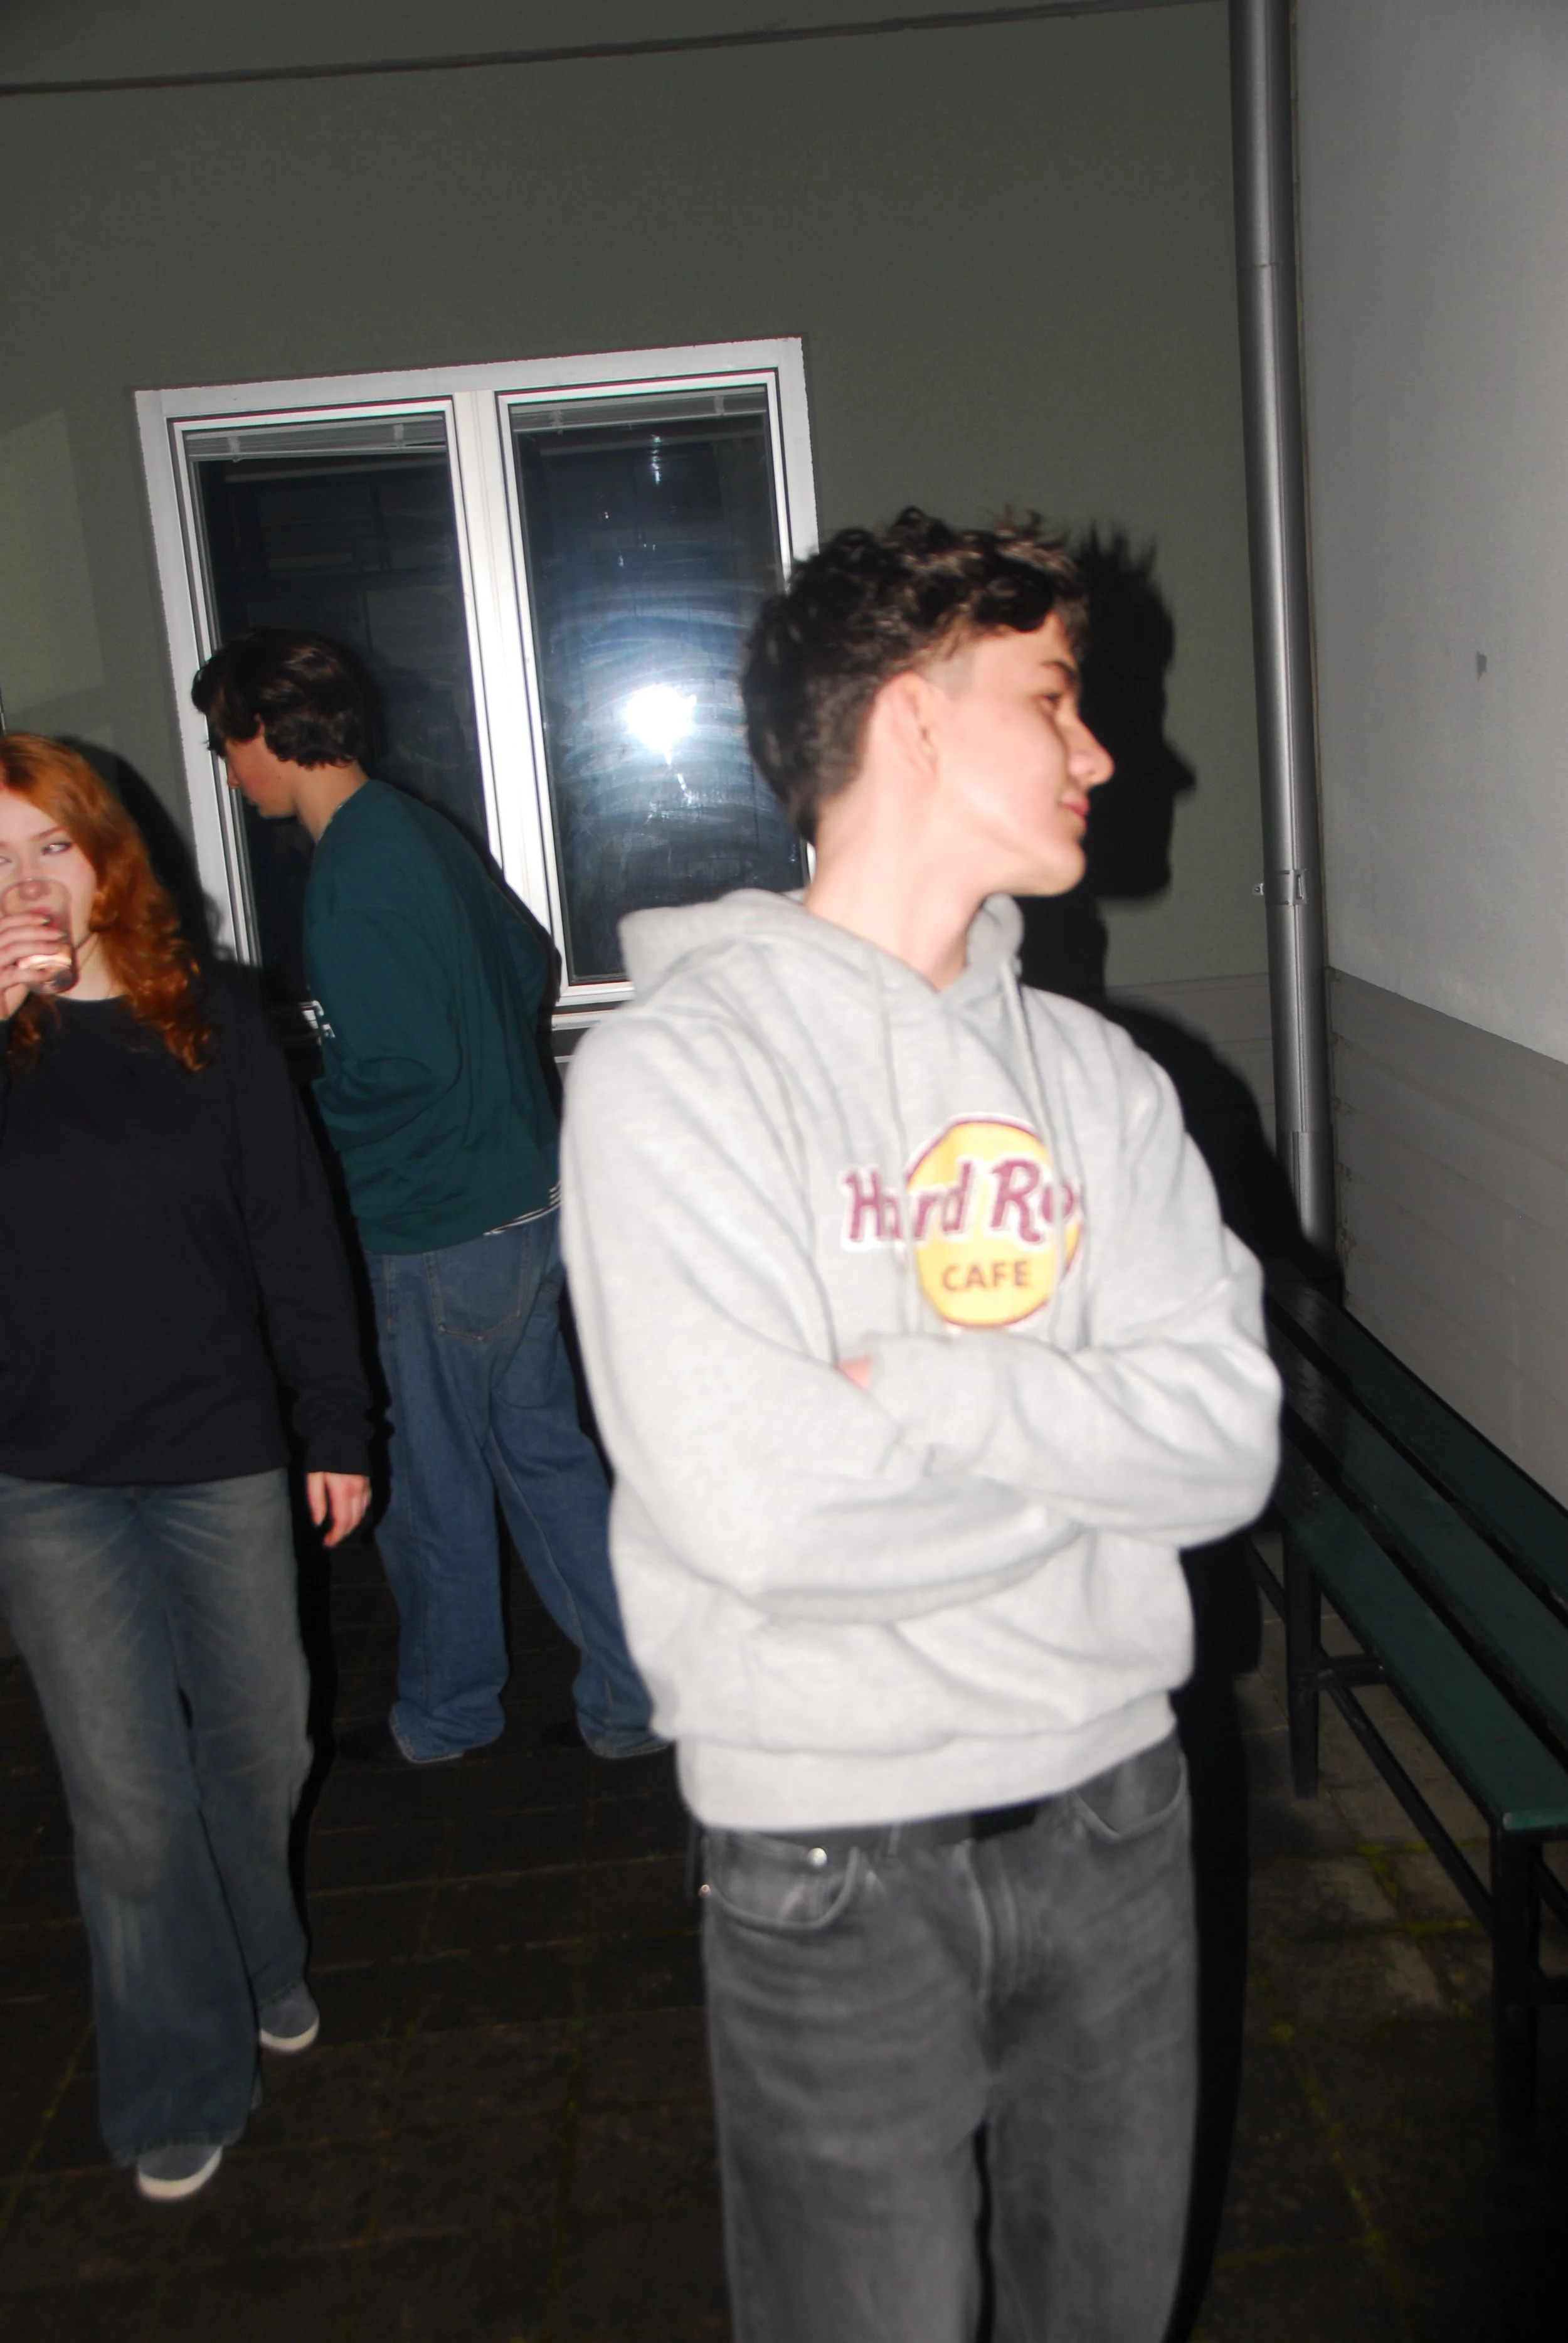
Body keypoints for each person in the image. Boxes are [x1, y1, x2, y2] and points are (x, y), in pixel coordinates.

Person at [558, 511, 1282, 2342]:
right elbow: (761, 1508)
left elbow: (1222, 1444)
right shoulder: (675, 1073)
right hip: (831, 1861)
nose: (1100, 752)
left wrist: (936, 1390)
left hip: (1119, 1818)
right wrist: (1094, 1472)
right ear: (910, 716)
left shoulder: (1105, 1083)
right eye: (1053, 697)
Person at [0, 735, 372, 2203]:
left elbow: (293, 1232)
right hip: (45, 1476)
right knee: (127, 1805)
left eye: (48, 845)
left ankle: (260, 1952)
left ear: (106, 851)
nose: (27, 882)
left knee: (263, 1749)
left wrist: (335, 1424)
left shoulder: (209, 1016)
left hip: (219, 1448)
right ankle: (174, 2073)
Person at [191, 631, 659, 1765]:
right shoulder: (413, 828)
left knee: (429, 1491)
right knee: (545, 1461)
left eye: (225, 743)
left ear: (267, 733)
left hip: (436, 1230)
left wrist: (293, 1130)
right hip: (524, 1202)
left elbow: (407, 1068)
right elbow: (528, 958)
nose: (227, 770)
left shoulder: (354, 871)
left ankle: (449, 1714)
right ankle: (636, 1697)